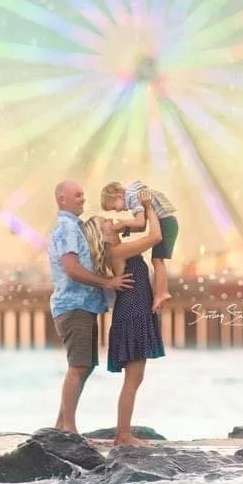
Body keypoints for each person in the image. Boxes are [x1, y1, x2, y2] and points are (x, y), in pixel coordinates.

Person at [49, 179, 133, 436]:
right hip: (73, 305)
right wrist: (107, 282)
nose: (83, 199)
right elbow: (72, 269)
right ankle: (69, 430)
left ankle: (61, 425)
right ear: (62, 199)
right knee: (78, 366)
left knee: (85, 365)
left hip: (84, 305)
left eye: (83, 195)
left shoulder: (75, 228)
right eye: (77, 195)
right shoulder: (67, 229)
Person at [82, 189, 164, 446]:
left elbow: (138, 229)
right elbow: (156, 236)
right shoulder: (118, 252)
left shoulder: (118, 249)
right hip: (132, 312)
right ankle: (123, 435)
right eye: (107, 223)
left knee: (136, 377)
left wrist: (131, 219)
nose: (112, 222)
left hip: (134, 309)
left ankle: (124, 432)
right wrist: (149, 207)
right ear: (104, 235)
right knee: (133, 378)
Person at [100, 180, 179, 311]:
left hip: (166, 222)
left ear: (117, 195)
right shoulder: (115, 251)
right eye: (107, 222)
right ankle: (161, 292)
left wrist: (124, 225)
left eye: (114, 207)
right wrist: (125, 225)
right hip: (166, 222)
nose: (116, 214)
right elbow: (143, 227)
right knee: (158, 260)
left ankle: (161, 293)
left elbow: (141, 224)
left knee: (157, 260)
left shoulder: (133, 197)